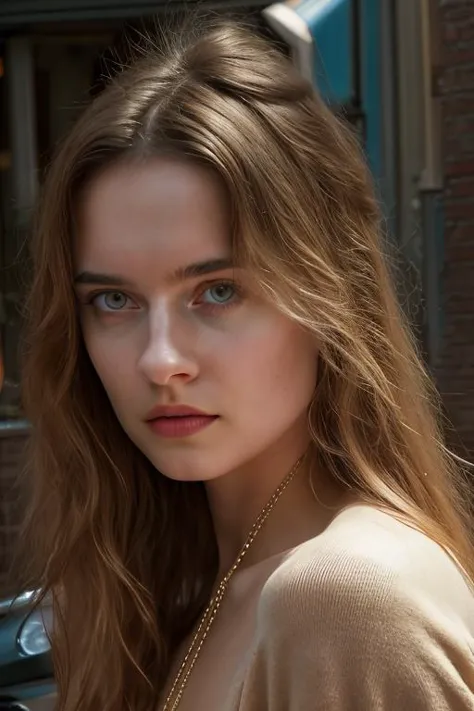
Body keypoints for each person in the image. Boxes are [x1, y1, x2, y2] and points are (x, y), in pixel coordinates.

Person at [18, 17, 474, 711]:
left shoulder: (343, 599)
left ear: (330, 296)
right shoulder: (181, 586)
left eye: (218, 291)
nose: (161, 359)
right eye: (114, 299)